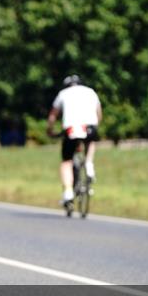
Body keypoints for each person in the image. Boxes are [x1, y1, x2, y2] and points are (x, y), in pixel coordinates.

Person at [47, 74, 102, 205]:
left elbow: (53, 115)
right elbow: (99, 113)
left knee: (66, 161)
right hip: (89, 127)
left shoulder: (63, 93)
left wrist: (50, 129)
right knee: (91, 141)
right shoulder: (90, 92)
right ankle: (89, 164)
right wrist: (95, 126)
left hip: (71, 129)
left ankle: (68, 192)